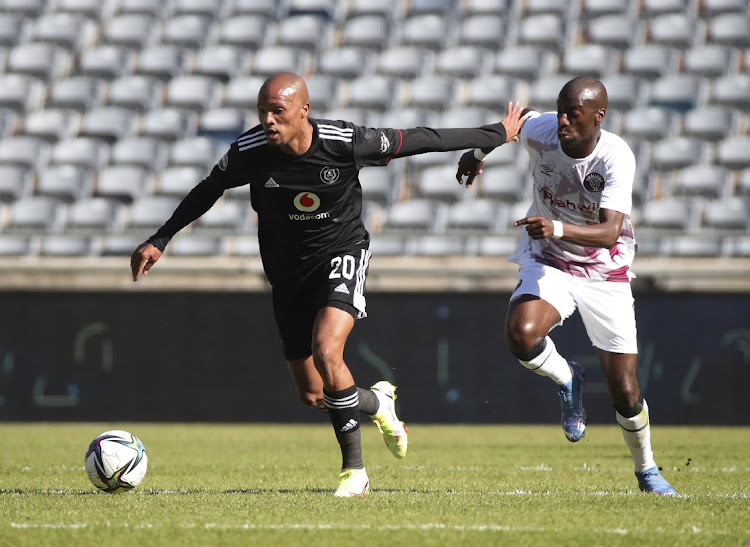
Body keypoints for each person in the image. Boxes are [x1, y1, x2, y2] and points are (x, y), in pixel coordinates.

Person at [131, 72, 527, 497]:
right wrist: (161, 238)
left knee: (327, 350)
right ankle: (378, 404)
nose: (268, 120)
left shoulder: (343, 142)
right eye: (262, 111)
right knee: (314, 394)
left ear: (304, 109)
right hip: (287, 273)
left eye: (277, 111)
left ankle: (354, 472)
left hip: (342, 252)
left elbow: (418, 138)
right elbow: (208, 189)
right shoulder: (250, 151)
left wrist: (495, 134)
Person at [455, 76, 678, 496]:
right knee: (521, 334)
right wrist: (478, 152)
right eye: (560, 111)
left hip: (603, 269)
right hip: (550, 258)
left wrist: (555, 225)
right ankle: (568, 379)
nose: (562, 121)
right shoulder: (544, 131)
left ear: (599, 117)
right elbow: (515, 123)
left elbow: (611, 231)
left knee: (625, 391)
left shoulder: (616, 157)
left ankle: (647, 470)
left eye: (573, 114)